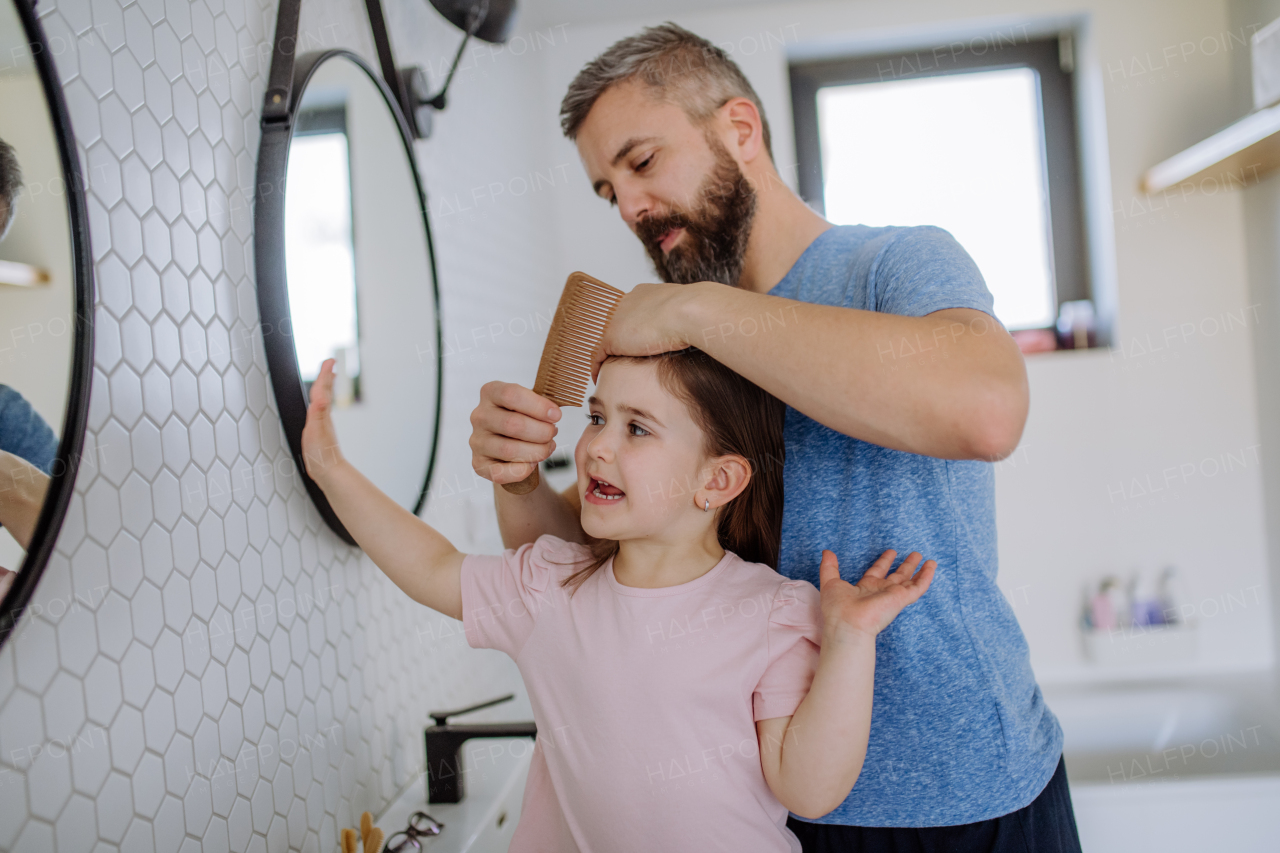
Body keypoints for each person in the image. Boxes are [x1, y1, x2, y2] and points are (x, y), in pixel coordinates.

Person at [468, 22, 1081, 853]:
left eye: (642, 162)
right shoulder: (674, 352)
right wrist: (517, 482)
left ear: (740, 129)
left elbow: (987, 410)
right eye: (610, 192)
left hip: (964, 796)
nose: (633, 208)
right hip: (769, 805)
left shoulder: (895, 266)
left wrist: (692, 309)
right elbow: (580, 556)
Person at [301, 350, 935, 852]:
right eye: (597, 417)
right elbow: (433, 566)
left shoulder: (772, 611)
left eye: (637, 428)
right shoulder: (549, 586)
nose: (597, 446)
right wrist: (331, 469)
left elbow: (808, 788)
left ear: (717, 480)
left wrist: (851, 641)